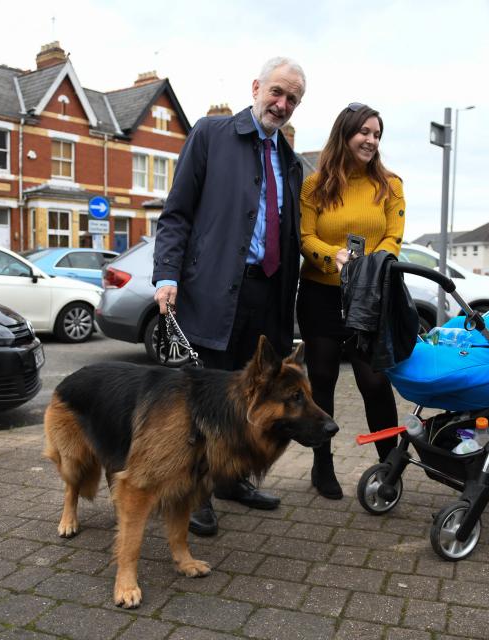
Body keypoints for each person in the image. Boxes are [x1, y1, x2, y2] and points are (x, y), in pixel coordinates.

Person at [151, 57, 307, 536]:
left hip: (270, 294)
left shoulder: (291, 161)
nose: (281, 105)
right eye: (277, 92)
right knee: (206, 401)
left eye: (292, 100)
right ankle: (196, 496)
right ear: (257, 86)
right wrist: (166, 276)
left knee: (252, 399)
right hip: (215, 289)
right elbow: (176, 213)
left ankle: (234, 481)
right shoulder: (210, 134)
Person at [297, 103, 405, 500]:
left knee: (374, 383)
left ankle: (389, 467)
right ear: (344, 134)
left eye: (377, 134)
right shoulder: (315, 185)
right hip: (320, 295)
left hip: (370, 298)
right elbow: (306, 237)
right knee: (322, 381)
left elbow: (394, 237)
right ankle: (321, 465)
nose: (371, 140)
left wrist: (372, 266)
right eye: (364, 132)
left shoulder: (390, 185)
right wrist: (334, 256)